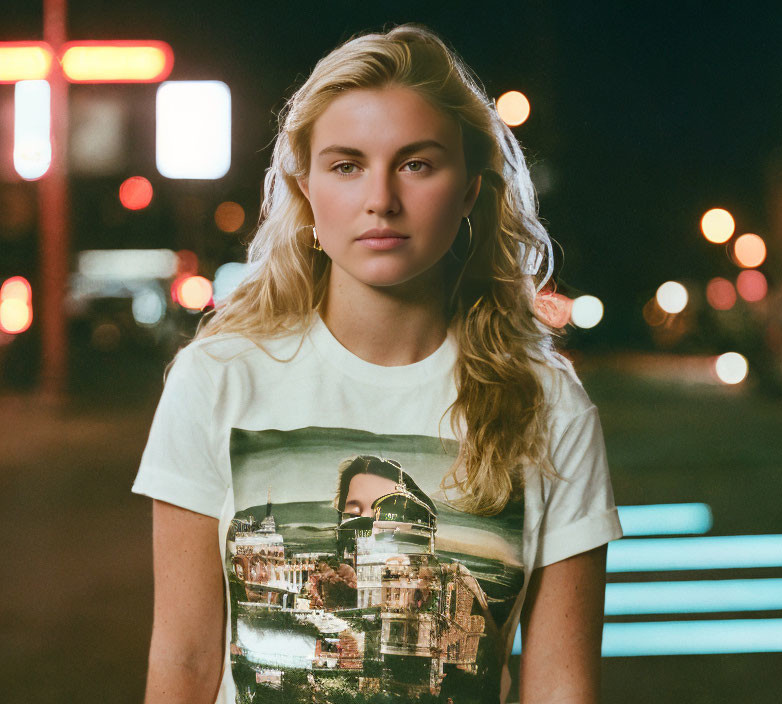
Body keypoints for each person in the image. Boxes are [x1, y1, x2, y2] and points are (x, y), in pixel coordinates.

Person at [133, 22, 623, 704]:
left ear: (471, 191)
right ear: (305, 190)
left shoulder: (547, 403)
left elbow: (562, 685)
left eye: (417, 163)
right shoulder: (218, 379)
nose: (381, 199)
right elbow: (183, 663)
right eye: (346, 164)